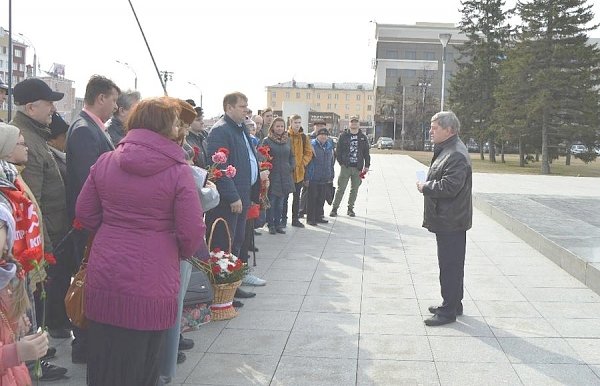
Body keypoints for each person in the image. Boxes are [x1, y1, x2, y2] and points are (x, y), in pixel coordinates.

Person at [76, 96, 205, 386]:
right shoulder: (178, 170)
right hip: (153, 280)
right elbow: (191, 231)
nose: (178, 128)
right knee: (143, 365)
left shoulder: (106, 161)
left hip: (106, 274)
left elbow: (84, 213)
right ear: (163, 127)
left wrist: (113, 230)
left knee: (103, 362)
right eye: (174, 122)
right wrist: (177, 251)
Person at [0, 122, 67, 381]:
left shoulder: (13, 177)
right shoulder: (7, 187)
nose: (25, 146)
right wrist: (15, 351)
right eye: (20, 143)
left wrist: (14, 328)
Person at [65, 74, 120, 364]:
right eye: (112, 100)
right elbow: (89, 182)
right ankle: (84, 344)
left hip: (94, 222)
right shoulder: (85, 130)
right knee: (86, 279)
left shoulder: (93, 127)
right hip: (89, 223)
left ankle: (88, 341)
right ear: (100, 98)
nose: (114, 106)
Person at [416, 111, 472, 326]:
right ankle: (453, 303)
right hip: (448, 218)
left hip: (451, 220)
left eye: (435, 128)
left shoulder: (455, 153)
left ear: (449, 130)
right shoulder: (448, 148)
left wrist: (425, 186)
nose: (430, 131)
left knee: (449, 265)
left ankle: (448, 311)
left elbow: (450, 186)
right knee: (452, 265)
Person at [205, 92, 260, 300]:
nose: (246, 110)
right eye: (242, 106)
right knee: (224, 244)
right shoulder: (220, 131)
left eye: (247, 106)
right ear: (228, 108)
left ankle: (232, 286)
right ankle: (220, 292)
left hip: (243, 194)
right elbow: (218, 166)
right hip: (230, 201)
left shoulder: (239, 128)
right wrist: (233, 196)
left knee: (236, 241)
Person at [330, 116, 370, 218]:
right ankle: (335, 208)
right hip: (346, 167)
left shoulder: (363, 137)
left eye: (356, 122)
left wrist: (366, 166)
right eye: (352, 122)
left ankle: (350, 209)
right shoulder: (343, 136)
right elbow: (338, 151)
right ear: (349, 124)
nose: (354, 124)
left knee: (354, 189)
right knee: (341, 188)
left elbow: (366, 153)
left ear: (358, 124)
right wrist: (341, 163)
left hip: (357, 168)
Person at [261, 117, 295, 234]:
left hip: (285, 175)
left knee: (281, 202)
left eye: (282, 126)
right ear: (273, 127)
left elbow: (292, 156)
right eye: (277, 126)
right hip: (273, 175)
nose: (280, 128)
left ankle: (278, 224)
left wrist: (291, 167)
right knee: (272, 201)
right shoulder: (267, 140)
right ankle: (270, 224)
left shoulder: (288, 140)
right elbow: (263, 157)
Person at [284, 115, 312, 228]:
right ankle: (283, 219)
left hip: (299, 172)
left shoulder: (304, 137)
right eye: (295, 122)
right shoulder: (285, 135)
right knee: (284, 197)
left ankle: (295, 219)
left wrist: (302, 163)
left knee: (297, 197)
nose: (297, 124)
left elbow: (308, 152)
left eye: (299, 122)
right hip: (287, 172)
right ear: (291, 122)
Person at [304, 127, 335, 226]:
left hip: (325, 176)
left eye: (325, 135)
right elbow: (307, 163)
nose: (323, 137)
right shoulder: (311, 145)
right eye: (321, 135)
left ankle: (318, 216)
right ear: (317, 136)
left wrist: (331, 174)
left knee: (321, 199)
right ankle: (310, 218)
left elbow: (331, 162)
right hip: (313, 176)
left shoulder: (329, 146)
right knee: (312, 198)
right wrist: (306, 177)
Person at [47, 112, 69, 183]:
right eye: (64, 136)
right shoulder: (53, 162)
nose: (67, 139)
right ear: (51, 141)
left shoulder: (59, 158)